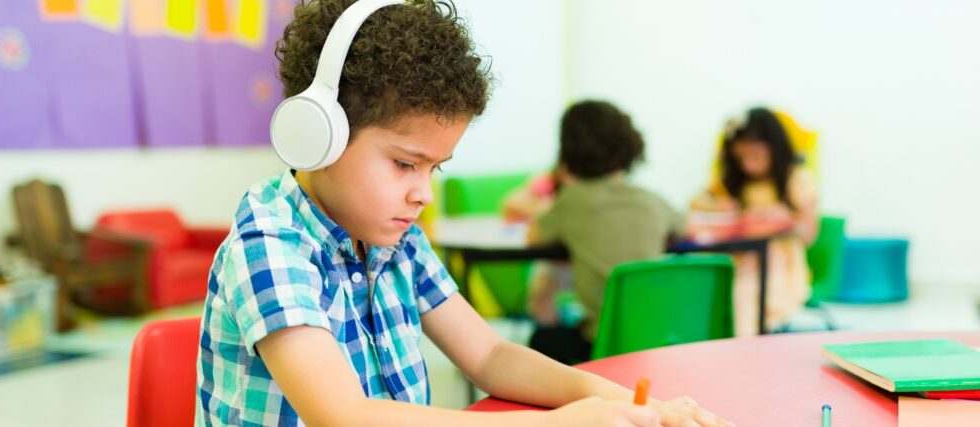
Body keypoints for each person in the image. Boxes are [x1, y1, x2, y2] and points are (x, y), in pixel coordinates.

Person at [196, 1, 732, 426]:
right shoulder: (268, 244)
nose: (423, 193)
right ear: (317, 138)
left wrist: (617, 400)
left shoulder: (396, 239)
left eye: (436, 169)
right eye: (406, 164)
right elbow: (345, 416)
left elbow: (491, 356)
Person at [526, 100, 685, 365]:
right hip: (658, 340)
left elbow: (533, 236)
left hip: (601, 345)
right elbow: (684, 226)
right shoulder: (652, 200)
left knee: (542, 339)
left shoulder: (572, 201)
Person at [690, 107, 819, 336]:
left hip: (779, 268)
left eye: (755, 156)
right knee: (706, 288)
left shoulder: (795, 179)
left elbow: (809, 233)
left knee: (746, 294)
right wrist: (721, 207)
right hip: (739, 261)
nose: (748, 165)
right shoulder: (735, 184)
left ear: (775, 149)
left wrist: (786, 221)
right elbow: (696, 205)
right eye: (741, 159)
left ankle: (744, 350)